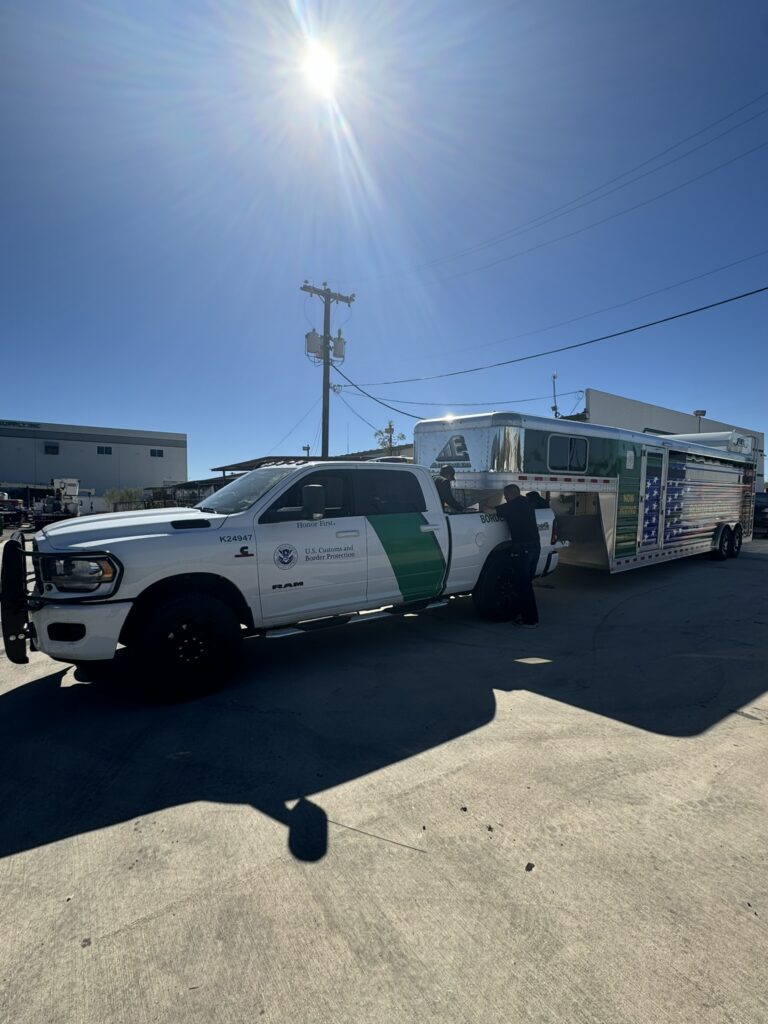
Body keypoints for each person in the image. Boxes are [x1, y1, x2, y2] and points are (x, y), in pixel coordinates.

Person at [495, 483, 540, 627]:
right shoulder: (526, 503)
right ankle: (525, 615)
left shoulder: (512, 506)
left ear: (508, 495)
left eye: (505, 496)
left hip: (523, 549)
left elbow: (491, 511)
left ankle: (530, 620)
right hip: (534, 547)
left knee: (523, 584)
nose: (505, 498)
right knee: (526, 583)